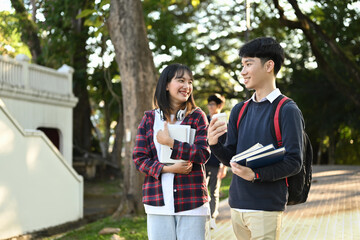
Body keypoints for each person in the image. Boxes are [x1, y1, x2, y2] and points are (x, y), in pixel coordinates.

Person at [207, 37, 304, 240]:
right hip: (236, 205)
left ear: (269, 65)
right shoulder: (239, 110)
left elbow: (294, 162)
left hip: (265, 207)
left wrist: (255, 175)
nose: (243, 71)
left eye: (248, 64)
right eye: (242, 65)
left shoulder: (287, 109)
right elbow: (231, 157)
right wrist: (214, 144)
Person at [133, 63, 211, 240]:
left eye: (190, 82)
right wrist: (167, 169)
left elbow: (202, 154)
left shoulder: (197, 116)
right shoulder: (149, 119)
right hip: (157, 203)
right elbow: (139, 158)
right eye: (181, 80)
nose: (187, 86)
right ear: (166, 85)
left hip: (192, 202)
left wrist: (171, 143)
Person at [205, 93, 228, 229]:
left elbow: (226, 145)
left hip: (216, 163)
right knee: (203, 190)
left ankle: (212, 217)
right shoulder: (204, 119)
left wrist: (224, 166)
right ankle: (205, 216)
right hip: (203, 161)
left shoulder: (223, 122)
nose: (209, 107)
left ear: (219, 105)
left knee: (213, 191)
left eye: (212, 104)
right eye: (209, 104)